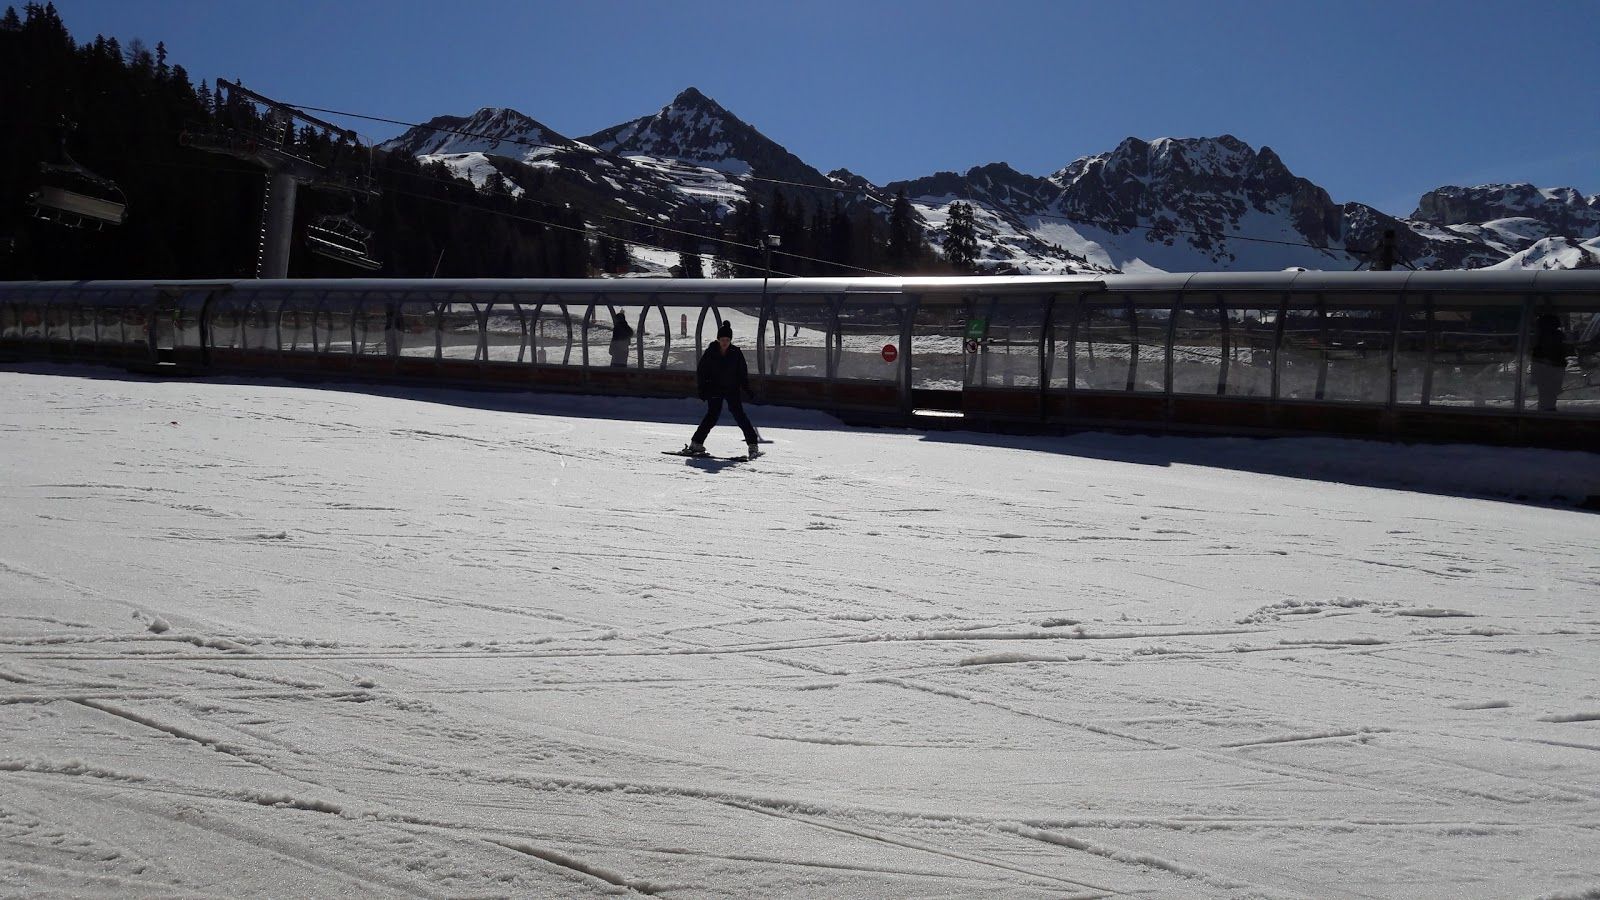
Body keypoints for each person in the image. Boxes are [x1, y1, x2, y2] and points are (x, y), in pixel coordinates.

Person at [683, 320, 761, 458]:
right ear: (718, 339)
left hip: (732, 389)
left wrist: (747, 389)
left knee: (739, 415)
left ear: (730, 340)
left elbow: (742, 372)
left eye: (727, 340)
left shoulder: (736, 353)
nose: (725, 342)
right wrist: (702, 389)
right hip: (714, 388)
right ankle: (696, 443)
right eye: (722, 340)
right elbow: (702, 371)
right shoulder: (711, 352)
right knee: (712, 415)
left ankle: (753, 444)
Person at [1529, 313, 1571, 412]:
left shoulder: (1541, 337)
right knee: (1549, 395)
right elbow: (1563, 353)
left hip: (1547, 368)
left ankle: (1546, 410)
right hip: (1552, 368)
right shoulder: (1558, 336)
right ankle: (1548, 410)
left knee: (1545, 395)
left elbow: (1536, 355)